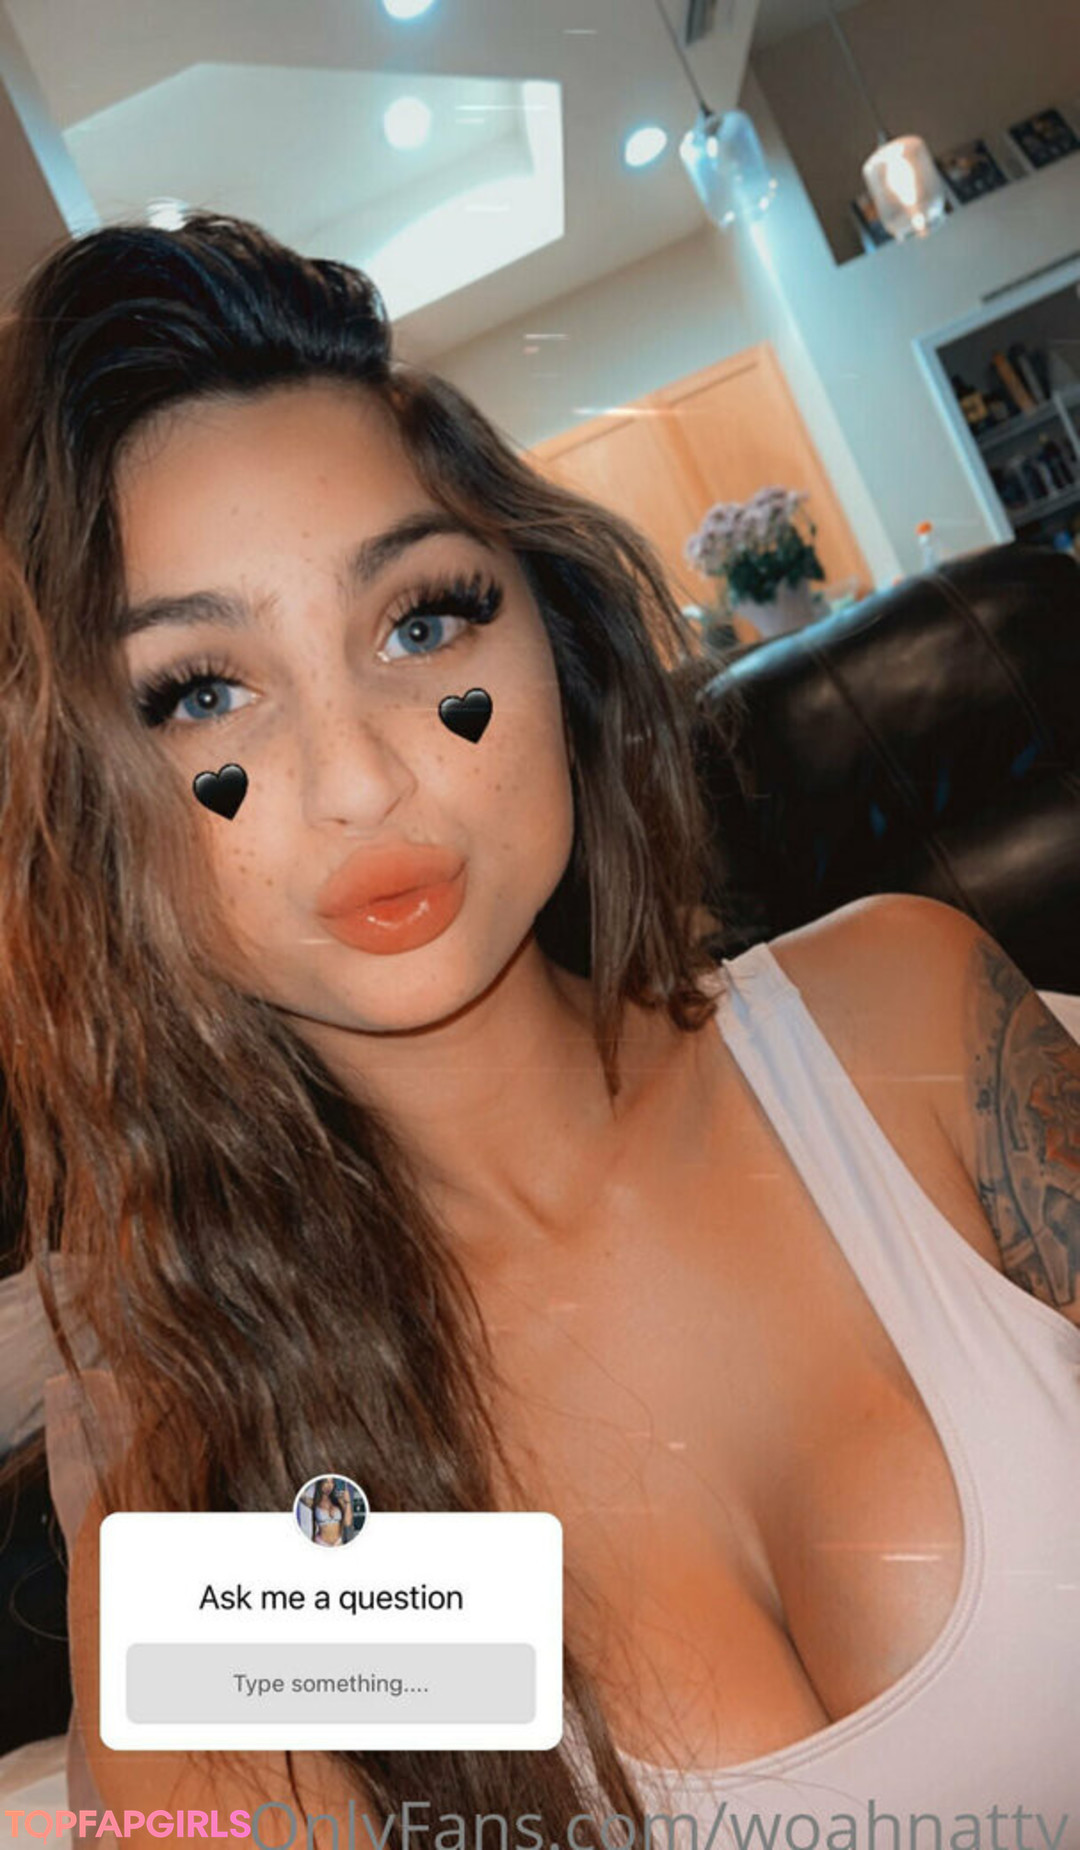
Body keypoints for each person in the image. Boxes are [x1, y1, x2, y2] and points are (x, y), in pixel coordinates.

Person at [0, 213, 1077, 1848]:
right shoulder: (247, 1488)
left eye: (419, 623)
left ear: (551, 637)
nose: (361, 776)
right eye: (201, 691)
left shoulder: (903, 1028)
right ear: (92, 809)